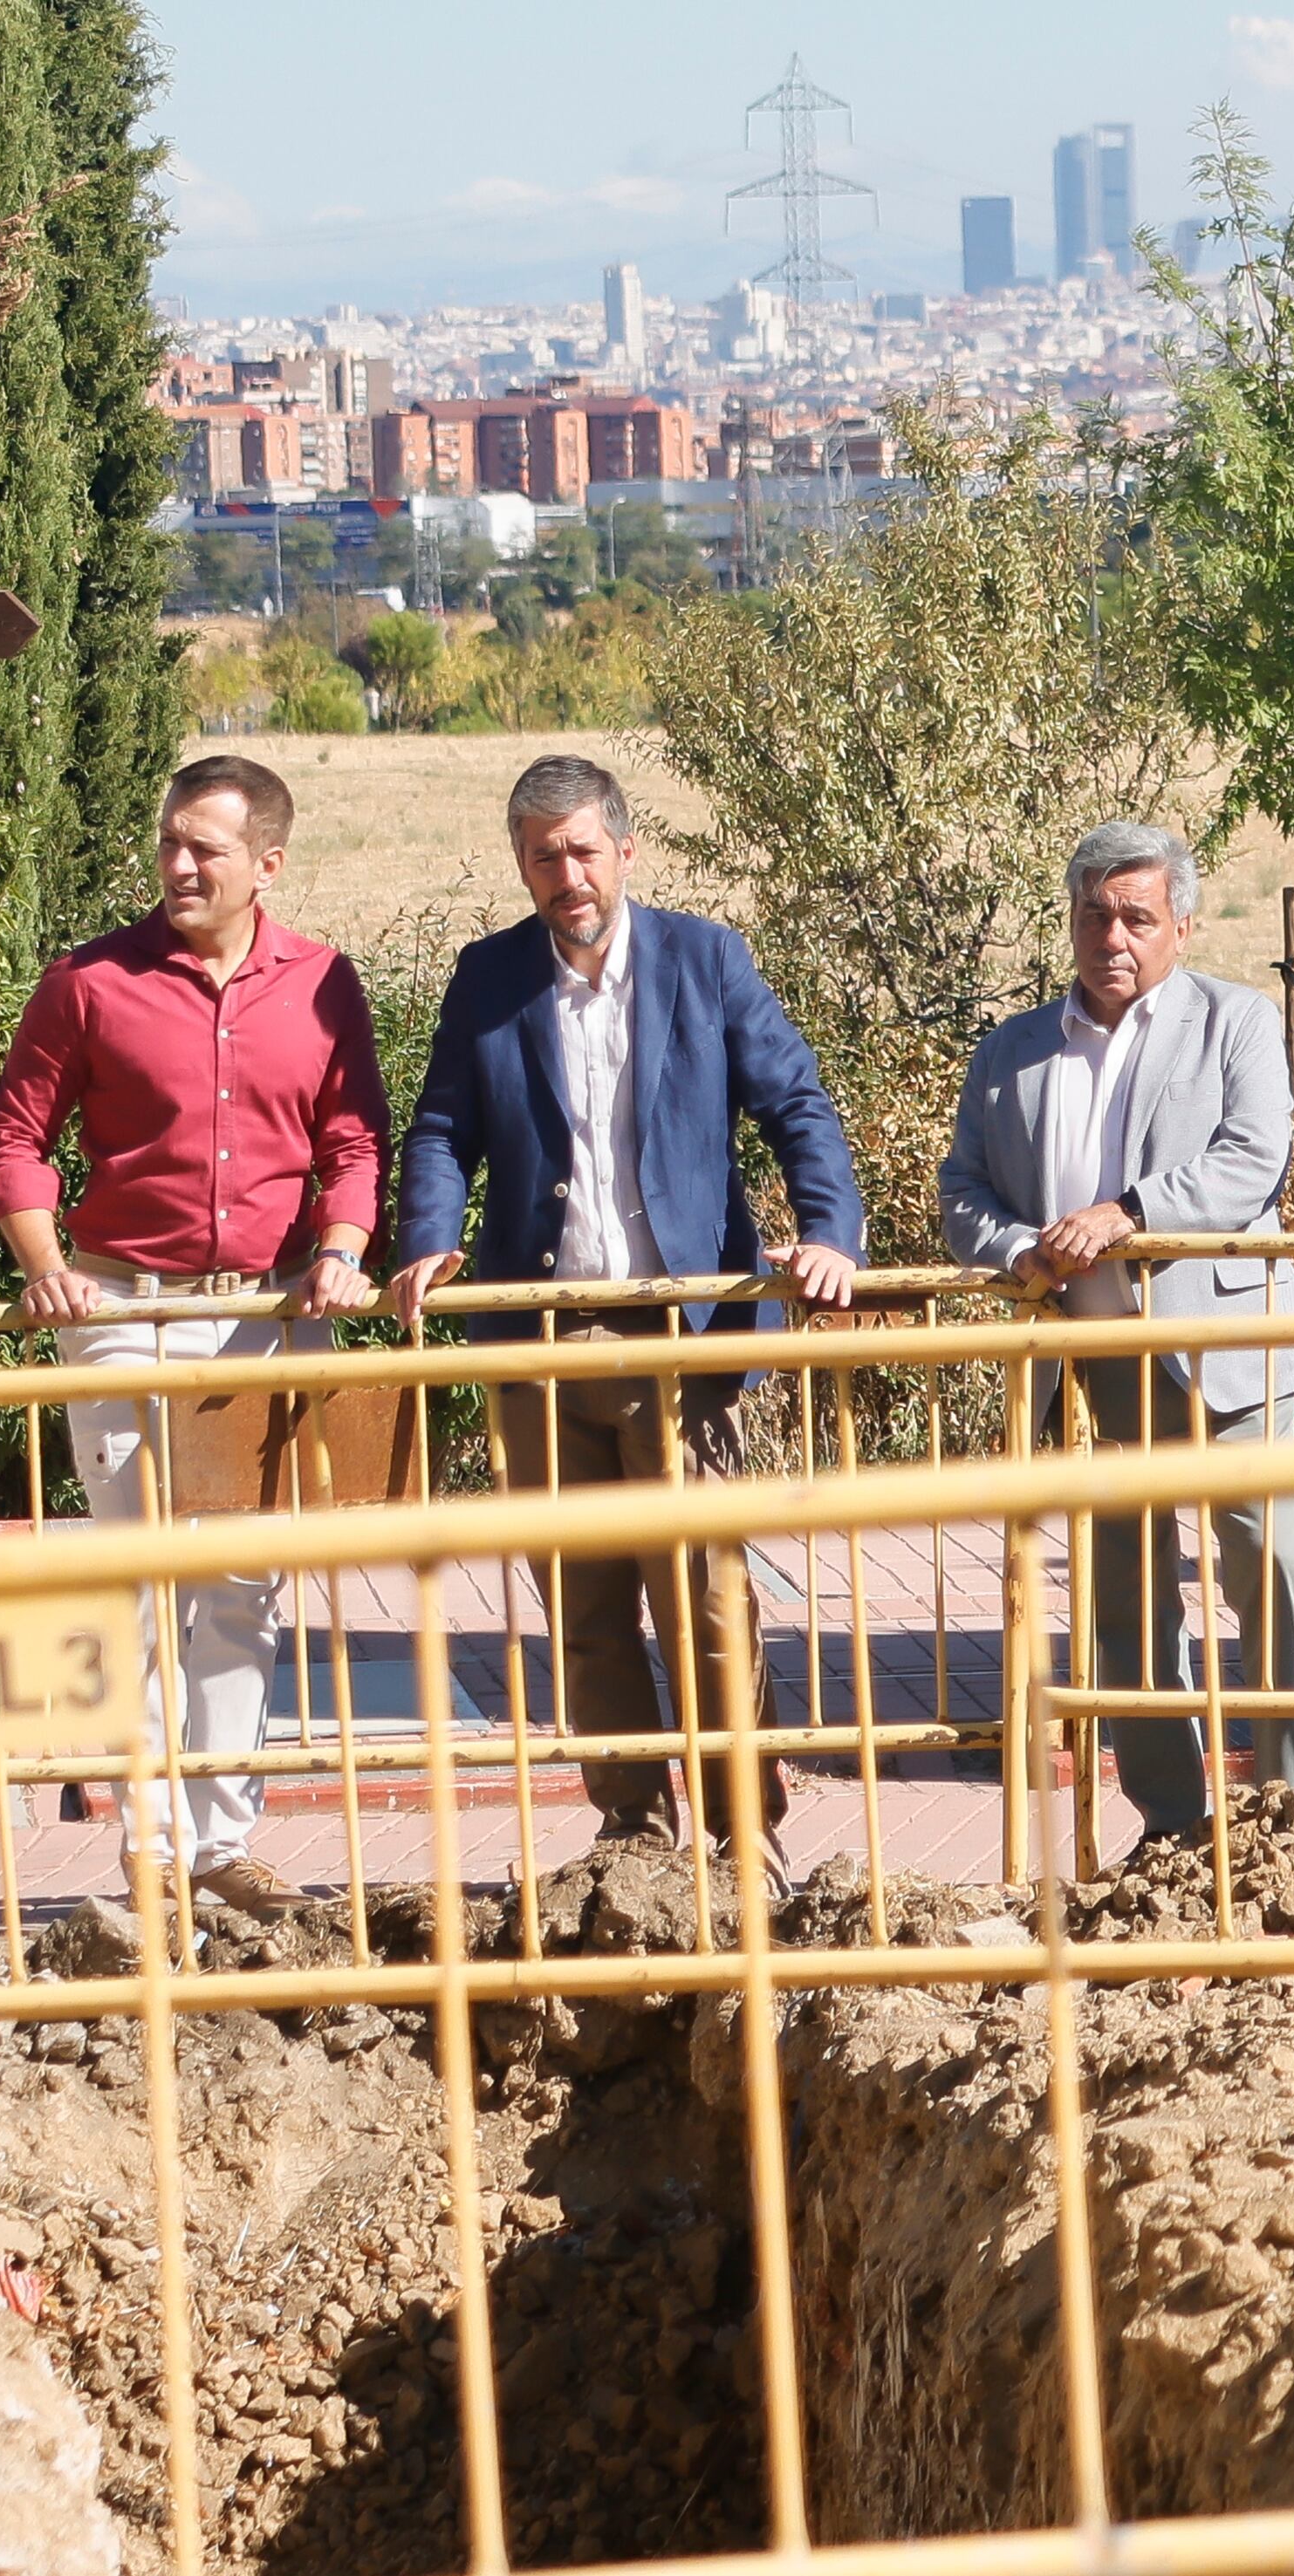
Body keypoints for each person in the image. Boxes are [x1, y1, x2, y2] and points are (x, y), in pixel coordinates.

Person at [392, 753, 863, 1853]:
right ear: (522, 864)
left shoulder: (704, 961)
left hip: (680, 1337)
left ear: (625, 852)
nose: (567, 875)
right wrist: (426, 1241)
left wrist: (830, 1236)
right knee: (583, 1608)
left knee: (704, 1603)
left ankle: (749, 1835)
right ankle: (634, 1840)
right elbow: (440, 1131)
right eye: (544, 856)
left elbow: (795, 1102)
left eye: (583, 851)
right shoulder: (487, 977)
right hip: (536, 1340)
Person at [0, 754, 385, 1919]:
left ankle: (222, 1843)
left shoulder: (321, 984)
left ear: (268, 863)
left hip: (265, 1311)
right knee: (143, 1581)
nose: (179, 864)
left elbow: (353, 1137)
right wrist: (46, 1268)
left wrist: (345, 1248)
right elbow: (16, 1141)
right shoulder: (89, 982)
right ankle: (149, 1848)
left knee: (245, 1584)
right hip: (119, 1307)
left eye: (204, 846)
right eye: (168, 841)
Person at [939, 819, 1294, 1846]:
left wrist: (1130, 1211)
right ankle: (1171, 1824)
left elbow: (1253, 1159)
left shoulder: (1233, 1023)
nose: (1114, 935)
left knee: (1276, 1571)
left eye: (1137, 917)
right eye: (1095, 914)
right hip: (1093, 1368)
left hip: (1230, 1353)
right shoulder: (1011, 1051)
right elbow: (961, 1193)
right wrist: (1015, 1248)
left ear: (1182, 927)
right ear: (1071, 920)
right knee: (1127, 1607)